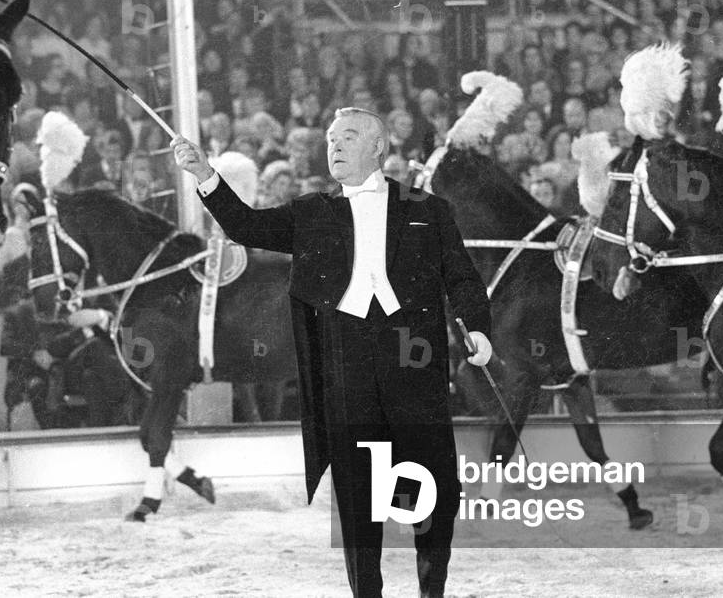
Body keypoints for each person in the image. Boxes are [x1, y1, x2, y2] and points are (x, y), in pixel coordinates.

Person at [173, 107, 492, 598]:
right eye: (330, 139)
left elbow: (464, 279)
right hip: (346, 369)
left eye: (347, 137)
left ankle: (433, 592)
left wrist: (479, 331)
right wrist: (203, 174)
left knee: (432, 491)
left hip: (415, 364)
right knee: (358, 498)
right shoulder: (312, 212)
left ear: (379, 148)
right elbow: (247, 227)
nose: (335, 146)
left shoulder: (428, 209)